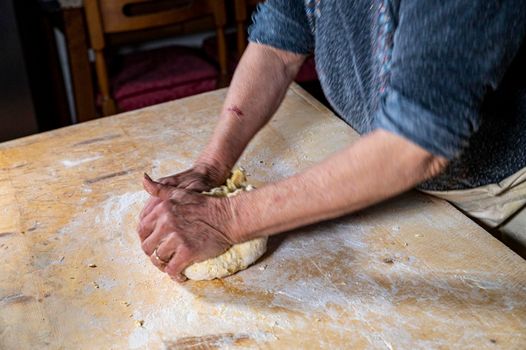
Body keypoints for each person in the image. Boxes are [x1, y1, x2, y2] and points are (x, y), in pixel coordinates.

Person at [138, 0, 526, 281]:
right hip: (397, 177)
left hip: (505, 195)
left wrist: (229, 219)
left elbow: (415, 144)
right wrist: (211, 166)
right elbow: (276, 49)